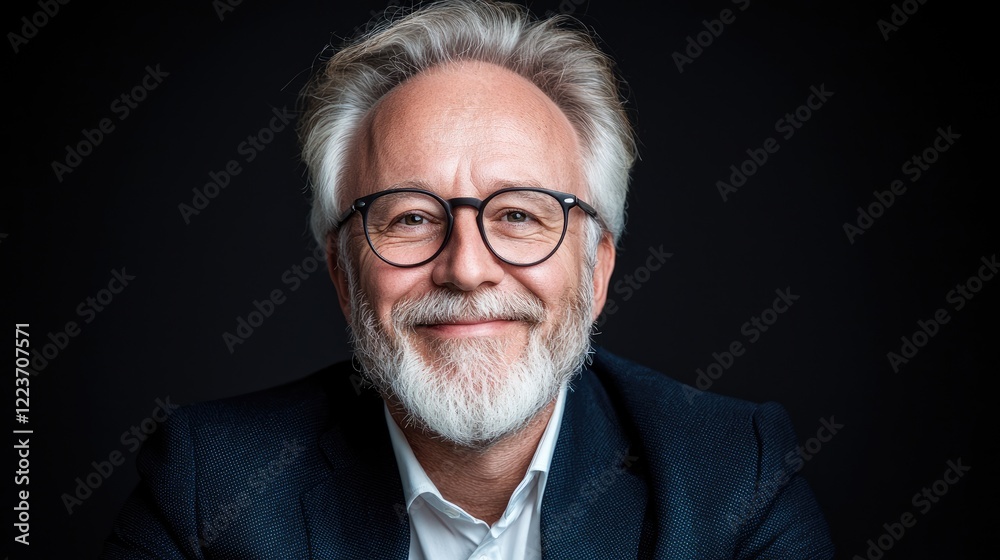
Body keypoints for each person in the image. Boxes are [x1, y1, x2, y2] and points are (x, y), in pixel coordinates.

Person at [102, 1, 834, 558]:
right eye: (411, 218)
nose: (467, 268)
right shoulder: (211, 489)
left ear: (597, 266)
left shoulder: (734, 477)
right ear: (342, 273)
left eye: (520, 214)